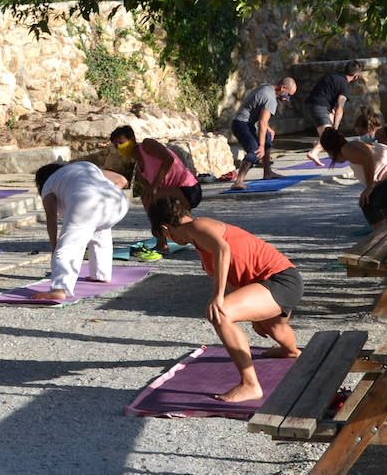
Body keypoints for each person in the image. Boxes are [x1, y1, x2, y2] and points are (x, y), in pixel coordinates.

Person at [147, 196, 302, 403]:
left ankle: (250, 385)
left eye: (164, 237)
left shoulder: (197, 227)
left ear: (165, 229)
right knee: (273, 327)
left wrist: (218, 296)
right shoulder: (199, 232)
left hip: (280, 282)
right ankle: (290, 351)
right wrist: (254, 313)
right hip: (279, 282)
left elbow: (223, 249)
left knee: (221, 314)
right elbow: (236, 270)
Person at [29, 161, 130, 301]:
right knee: (101, 231)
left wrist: (54, 247)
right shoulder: (82, 167)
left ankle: (59, 289)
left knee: (68, 248)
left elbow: (51, 217)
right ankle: (101, 274)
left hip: (87, 201)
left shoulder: (49, 184)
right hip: (119, 202)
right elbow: (121, 180)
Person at [110, 124, 202, 252]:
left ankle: (161, 242)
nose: (119, 147)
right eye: (116, 146)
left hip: (190, 189)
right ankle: (163, 236)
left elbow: (168, 159)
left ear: (132, 139)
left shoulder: (147, 145)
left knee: (148, 197)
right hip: (174, 197)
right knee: (150, 199)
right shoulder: (140, 171)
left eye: (121, 143)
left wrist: (154, 186)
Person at [320, 124, 387, 226]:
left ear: (331, 150)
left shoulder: (347, 149)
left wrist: (369, 188)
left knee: (367, 203)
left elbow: (367, 159)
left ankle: (381, 240)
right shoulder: (354, 147)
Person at [230, 76, 297, 190]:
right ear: (283, 87)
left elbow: (259, 115)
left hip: (246, 123)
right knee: (255, 151)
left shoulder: (266, 87)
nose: (287, 98)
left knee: (267, 136)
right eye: (288, 95)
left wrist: (268, 129)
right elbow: (262, 122)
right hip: (242, 124)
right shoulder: (271, 99)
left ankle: (267, 173)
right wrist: (261, 146)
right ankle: (238, 182)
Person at [302, 62, 363, 165]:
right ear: (356, 76)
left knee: (328, 129)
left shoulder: (332, 74)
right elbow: (340, 107)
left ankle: (320, 152)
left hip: (308, 105)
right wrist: (335, 128)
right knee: (330, 137)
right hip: (320, 107)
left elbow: (327, 93)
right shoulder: (345, 86)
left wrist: (331, 111)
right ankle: (314, 152)